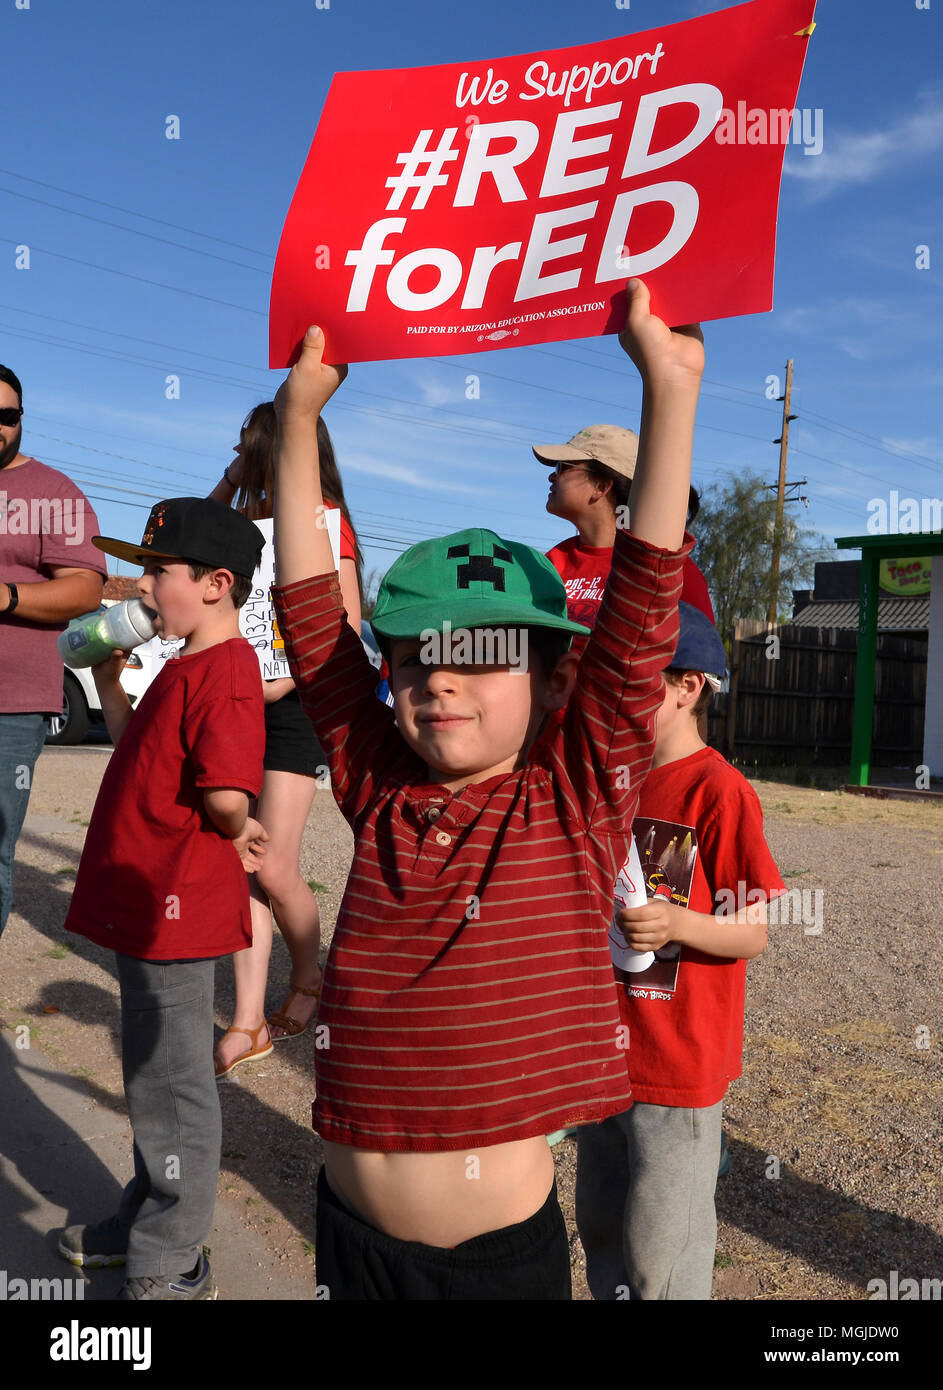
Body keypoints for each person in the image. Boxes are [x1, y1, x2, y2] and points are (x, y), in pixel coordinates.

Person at [267, 277, 704, 1300]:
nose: (442, 675)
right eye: (417, 655)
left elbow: (644, 607)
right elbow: (311, 619)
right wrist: (297, 421)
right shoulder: (377, 783)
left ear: (556, 678)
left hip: (493, 1268)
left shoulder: (575, 794)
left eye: (481, 652)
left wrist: (668, 391)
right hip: (348, 1240)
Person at [57, 498, 268, 1299]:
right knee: (152, 1072)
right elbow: (141, 746)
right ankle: (146, 1212)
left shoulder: (230, 672)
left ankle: (173, 1254)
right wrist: (112, 680)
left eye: (157, 572)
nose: (141, 590)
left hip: (174, 914)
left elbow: (222, 792)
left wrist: (239, 820)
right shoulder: (184, 665)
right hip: (146, 907)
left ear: (217, 583)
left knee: (176, 1086)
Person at [574, 601, 786, 1300]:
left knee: (660, 1245)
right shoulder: (613, 782)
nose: (606, 695)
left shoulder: (719, 791)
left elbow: (751, 930)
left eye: (627, 680)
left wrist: (677, 925)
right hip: (605, 1055)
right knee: (600, 1222)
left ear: (685, 686)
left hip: (678, 1064)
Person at [208, 402, 363, 1076]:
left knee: (271, 862)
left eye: (251, 445)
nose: (242, 453)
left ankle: (308, 976)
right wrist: (228, 478)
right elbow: (186, 541)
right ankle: (248, 1020)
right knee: (239, 857)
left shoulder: (325, 520)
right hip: (236, 701)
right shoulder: (240, 521)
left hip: (293, 705)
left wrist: (282, 681)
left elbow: (348, 625)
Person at [0, 363, 108, 938]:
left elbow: (86, 587)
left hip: (9, 703)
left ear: (21, 420)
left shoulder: (52, 492)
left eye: (7, 416)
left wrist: (6, 596)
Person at [537, 424, 714, 647]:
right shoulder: (551, 562)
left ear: (600, 486)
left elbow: (699, 665)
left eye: (563, 467)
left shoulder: (674, 573)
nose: (552, 477)